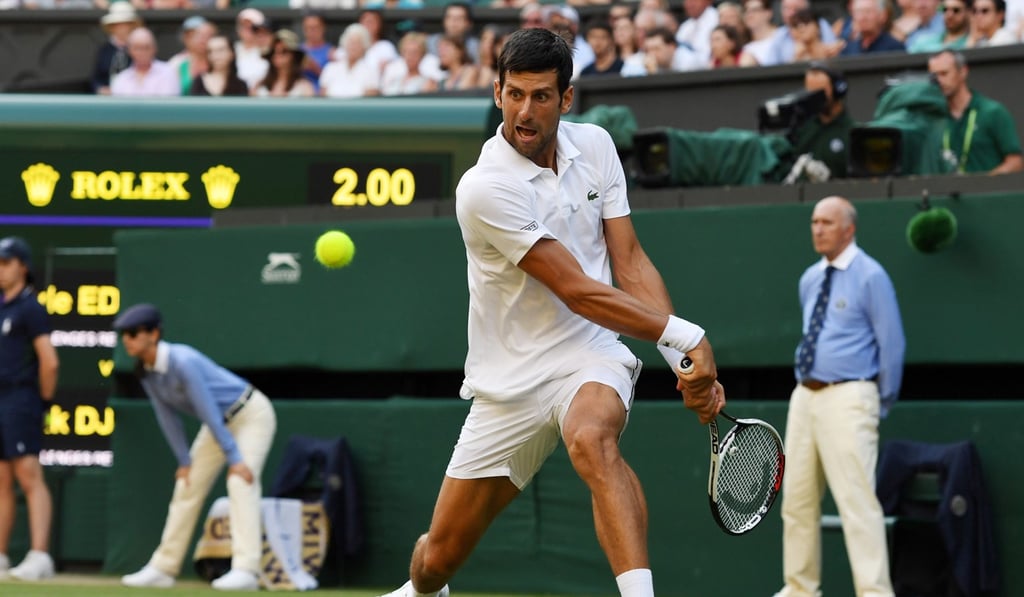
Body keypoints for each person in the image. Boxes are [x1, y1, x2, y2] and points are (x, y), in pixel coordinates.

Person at [378, 27, 724, 597]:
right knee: (436, 560)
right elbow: (576, 288)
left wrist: (680, 357)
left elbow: (629, 261)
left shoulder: (597, 147)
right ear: (497, 93)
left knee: (592, 439)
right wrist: (689, 335)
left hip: (588, 353)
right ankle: (420, 592)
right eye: (514, 94)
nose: (525, 111)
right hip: (508, 382)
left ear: (566, 99)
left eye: (541, 96)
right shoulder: (484, 188)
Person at [774, 196, 905, 597]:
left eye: (827, 222)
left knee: (857, 502)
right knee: (795, 501)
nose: (818, 229)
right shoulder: (810, 278)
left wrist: (873, 402)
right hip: (804, 397)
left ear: (849, 228)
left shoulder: (871, 276)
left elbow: (892, 344)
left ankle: (875, 592)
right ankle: (799, 588)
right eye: (814, 221)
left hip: (850, 396)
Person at [116, 304, 277, 591]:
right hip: (218, 425)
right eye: (123, 335)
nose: (126, 340)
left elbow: (208, 409)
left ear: (154, 334)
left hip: (251, 415)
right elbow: (166, 416)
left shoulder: (183, 361)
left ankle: (247, 571)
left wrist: (235, 459)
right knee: (186, 487)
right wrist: (184, 460)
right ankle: (164, 567)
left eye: (132, 333)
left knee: (240, 482)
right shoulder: (147, 371)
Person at [0, 237, 59, 582]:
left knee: (29, 476)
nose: (1, 270)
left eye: (6, 262)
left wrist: (42, 403)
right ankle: (2, 556)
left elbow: (49, 362)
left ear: (22, 266)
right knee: (2, 481)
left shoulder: (30, 309)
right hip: (0, 400)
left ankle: (40, 556)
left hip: (22, 399)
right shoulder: (2, 308)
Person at [925, 49, 1024, 174]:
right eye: (934, 76)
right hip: (947, 191)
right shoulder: (932, 118)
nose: (938, 81)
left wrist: (980, 184)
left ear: (963, 72)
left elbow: (1015, 162)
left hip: (986, 192)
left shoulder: (992, 112)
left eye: (944, 74)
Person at [785, 63, 855, 182]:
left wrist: (830, 180)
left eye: (820, 92)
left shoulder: (852, 133)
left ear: (838, 90)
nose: (815, 99)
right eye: (811, 93)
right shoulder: (800, 130)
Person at [110, 27, 180, 97]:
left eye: (146, 47)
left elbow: (168, 105)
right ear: (129, 50)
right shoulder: (121, 78)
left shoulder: (168, 73)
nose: (142, 52)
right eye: (137, 48)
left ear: (154, 49)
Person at [91, 2, 143, 94]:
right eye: (119, 25)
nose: (123, 28)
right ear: (112, 27)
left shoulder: (139, 48)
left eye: (126, 24)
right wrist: (100, 89)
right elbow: (97, 77)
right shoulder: (105, 50)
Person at [251, 29, 316, 98]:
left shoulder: (305, 87)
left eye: (284, 51)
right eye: (273, 51)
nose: (277, 55)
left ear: (294, 56)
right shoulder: (259, 86)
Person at [841, 0, 907, 55]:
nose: (862, 17)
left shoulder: (894, 48)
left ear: (882, 16)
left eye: (868, 12)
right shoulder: (848, 49)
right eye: (858, 12)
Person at [908, 0, 972, 53]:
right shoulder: (927, 41)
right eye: (945, 10)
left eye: (956, 10)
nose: (949, 15)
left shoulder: (971, 42)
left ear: (968, 13)